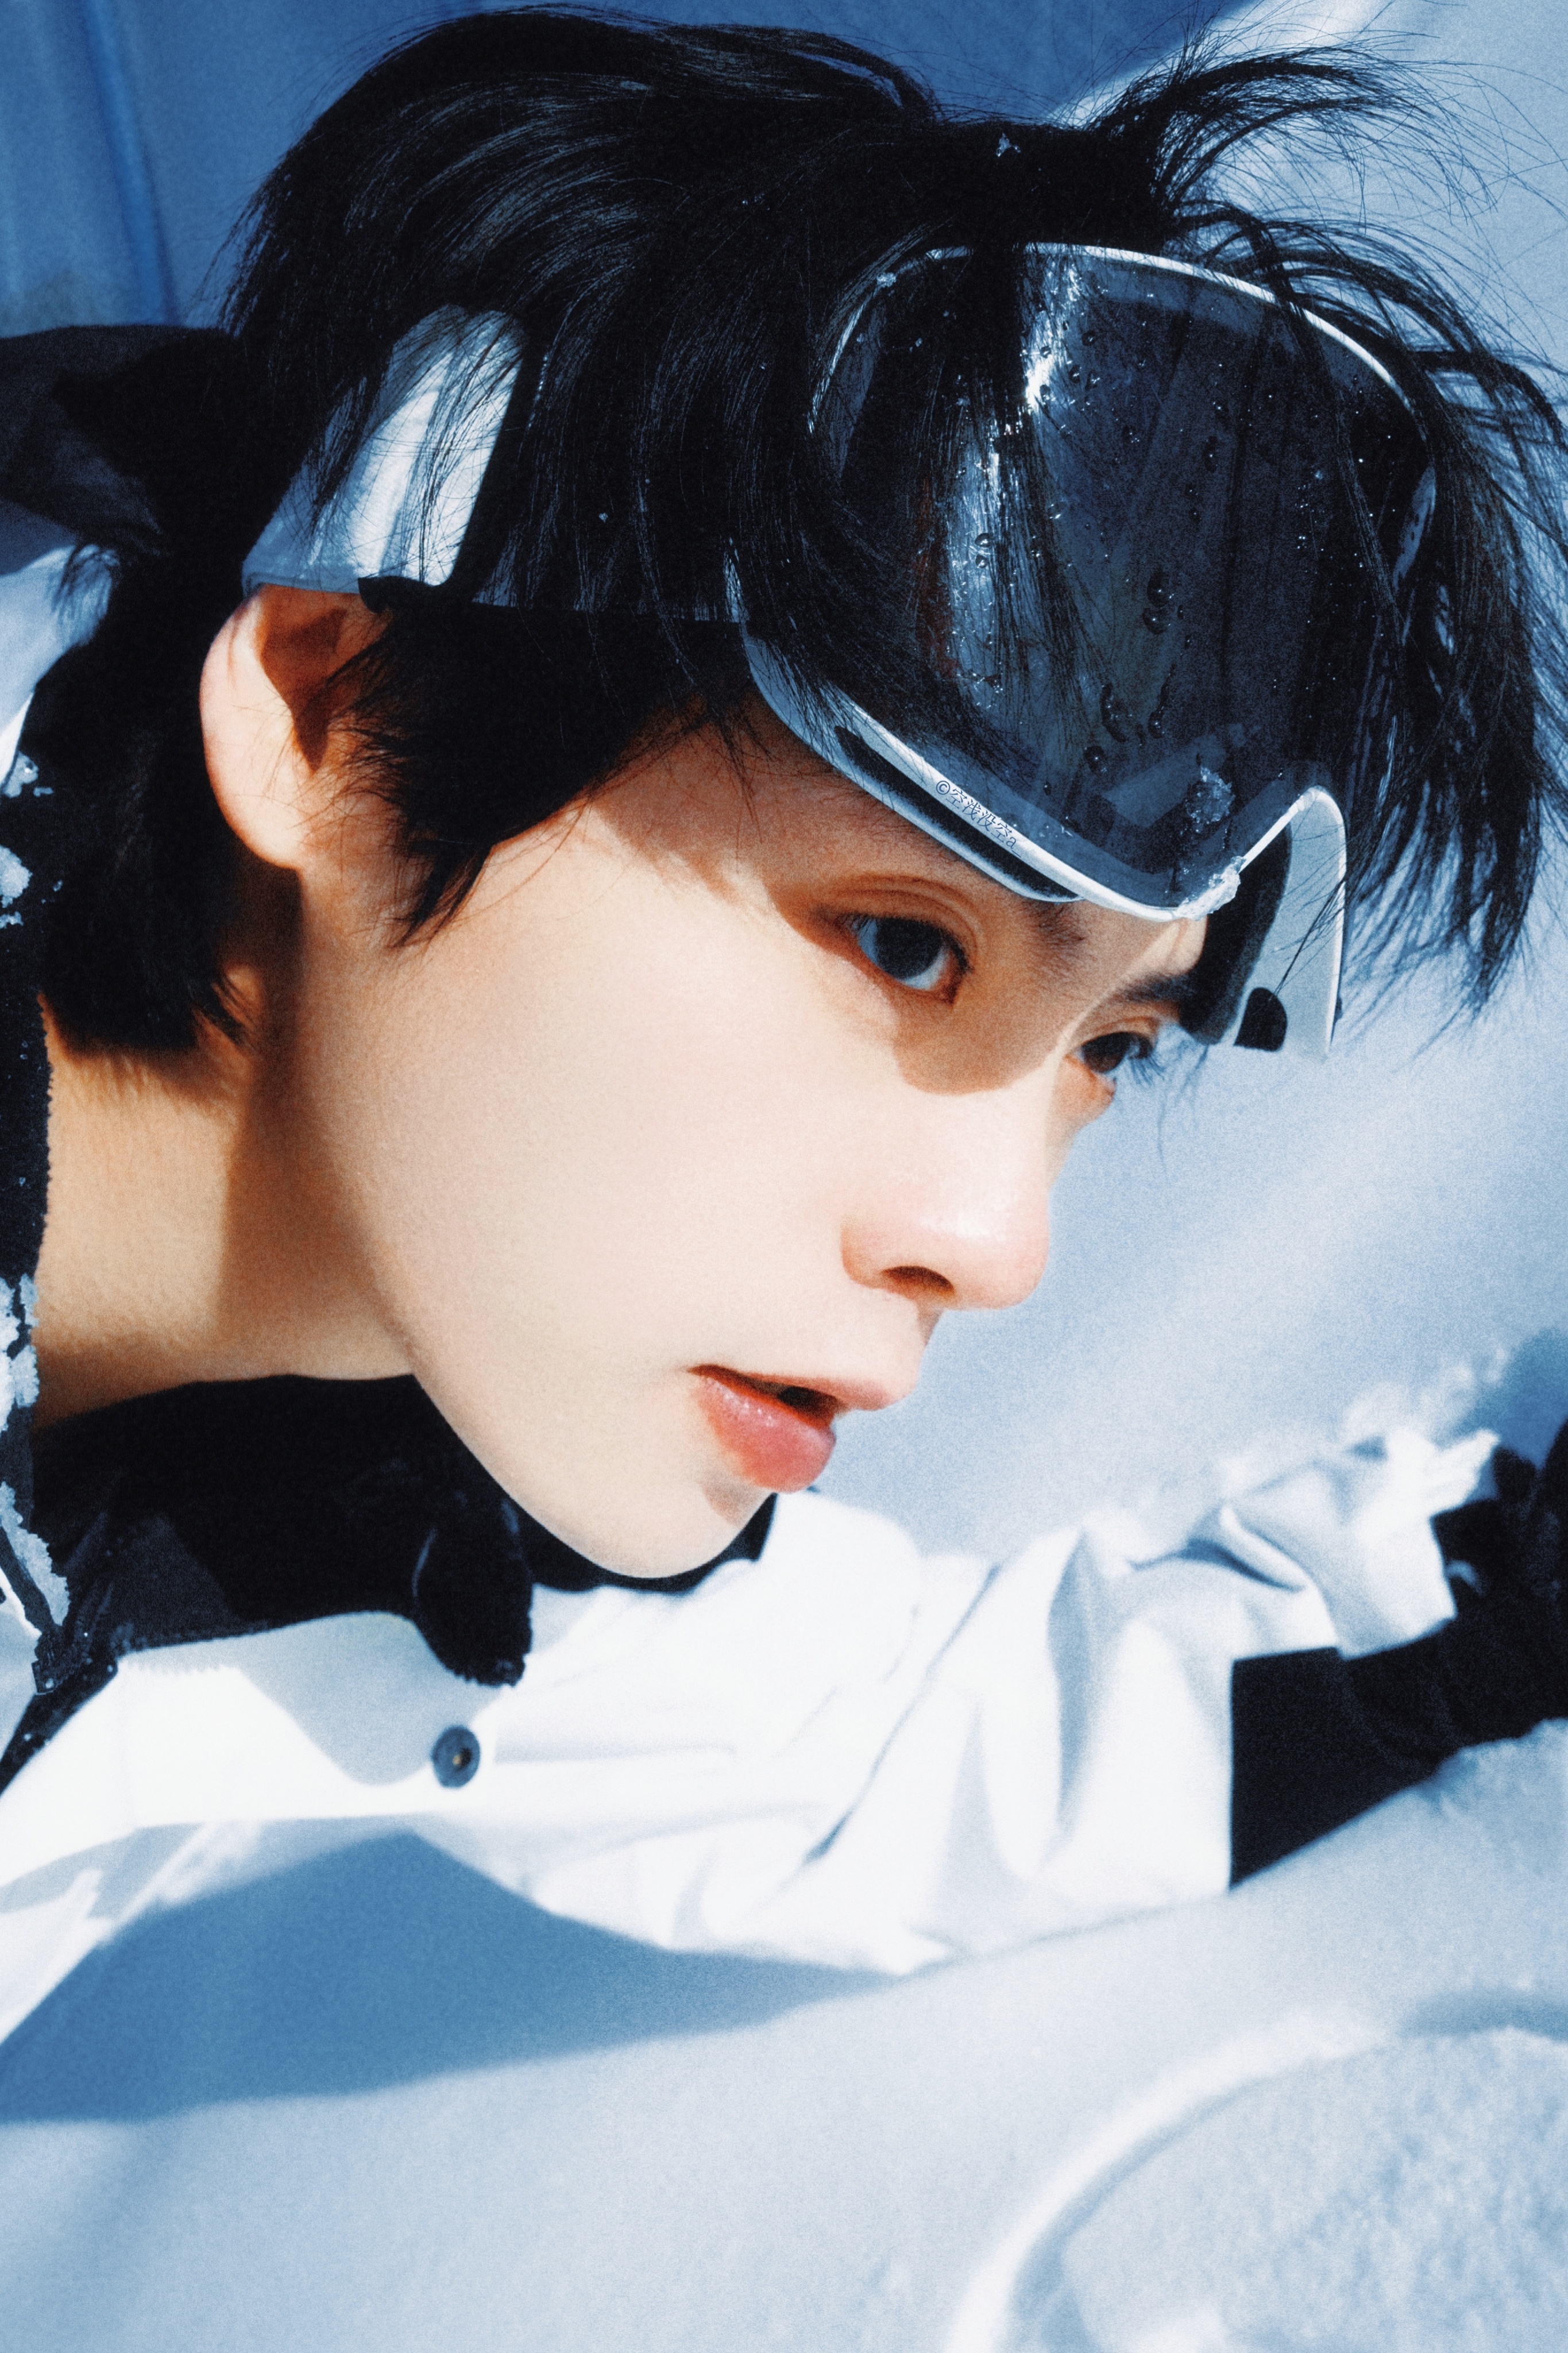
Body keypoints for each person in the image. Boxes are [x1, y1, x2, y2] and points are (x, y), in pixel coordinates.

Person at [1, 11, 1566, 2018]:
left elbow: (872, 1755)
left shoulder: (397, 1483)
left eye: (1109, 1047)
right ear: (330, 721)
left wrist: (1504, 1604)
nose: (996, 1244)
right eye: (902, 942)